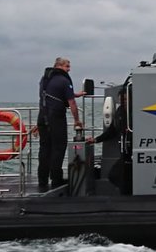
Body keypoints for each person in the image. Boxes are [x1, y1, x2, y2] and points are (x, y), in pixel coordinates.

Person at [38, 57, 84, 191]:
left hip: (42, 117)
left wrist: (76, 94)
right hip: (56, 118)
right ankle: (56, 180)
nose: (69, 69)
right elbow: (71, 103)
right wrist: (77, 120)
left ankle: (42, 179)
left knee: (44, 148)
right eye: (67, 66)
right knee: (58, 147)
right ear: (59, 65)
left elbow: (53, 94)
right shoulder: (64, 80)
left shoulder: (44, 79)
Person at [87, 89, 131, 193]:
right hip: (125, 151)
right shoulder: (120, 112)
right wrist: (96, 139)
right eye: (122, 100)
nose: (124, 102)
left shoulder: (135, 112)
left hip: (133, 150)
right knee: (114, 175)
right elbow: (112, 131)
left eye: (125, 99)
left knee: (122, 176)